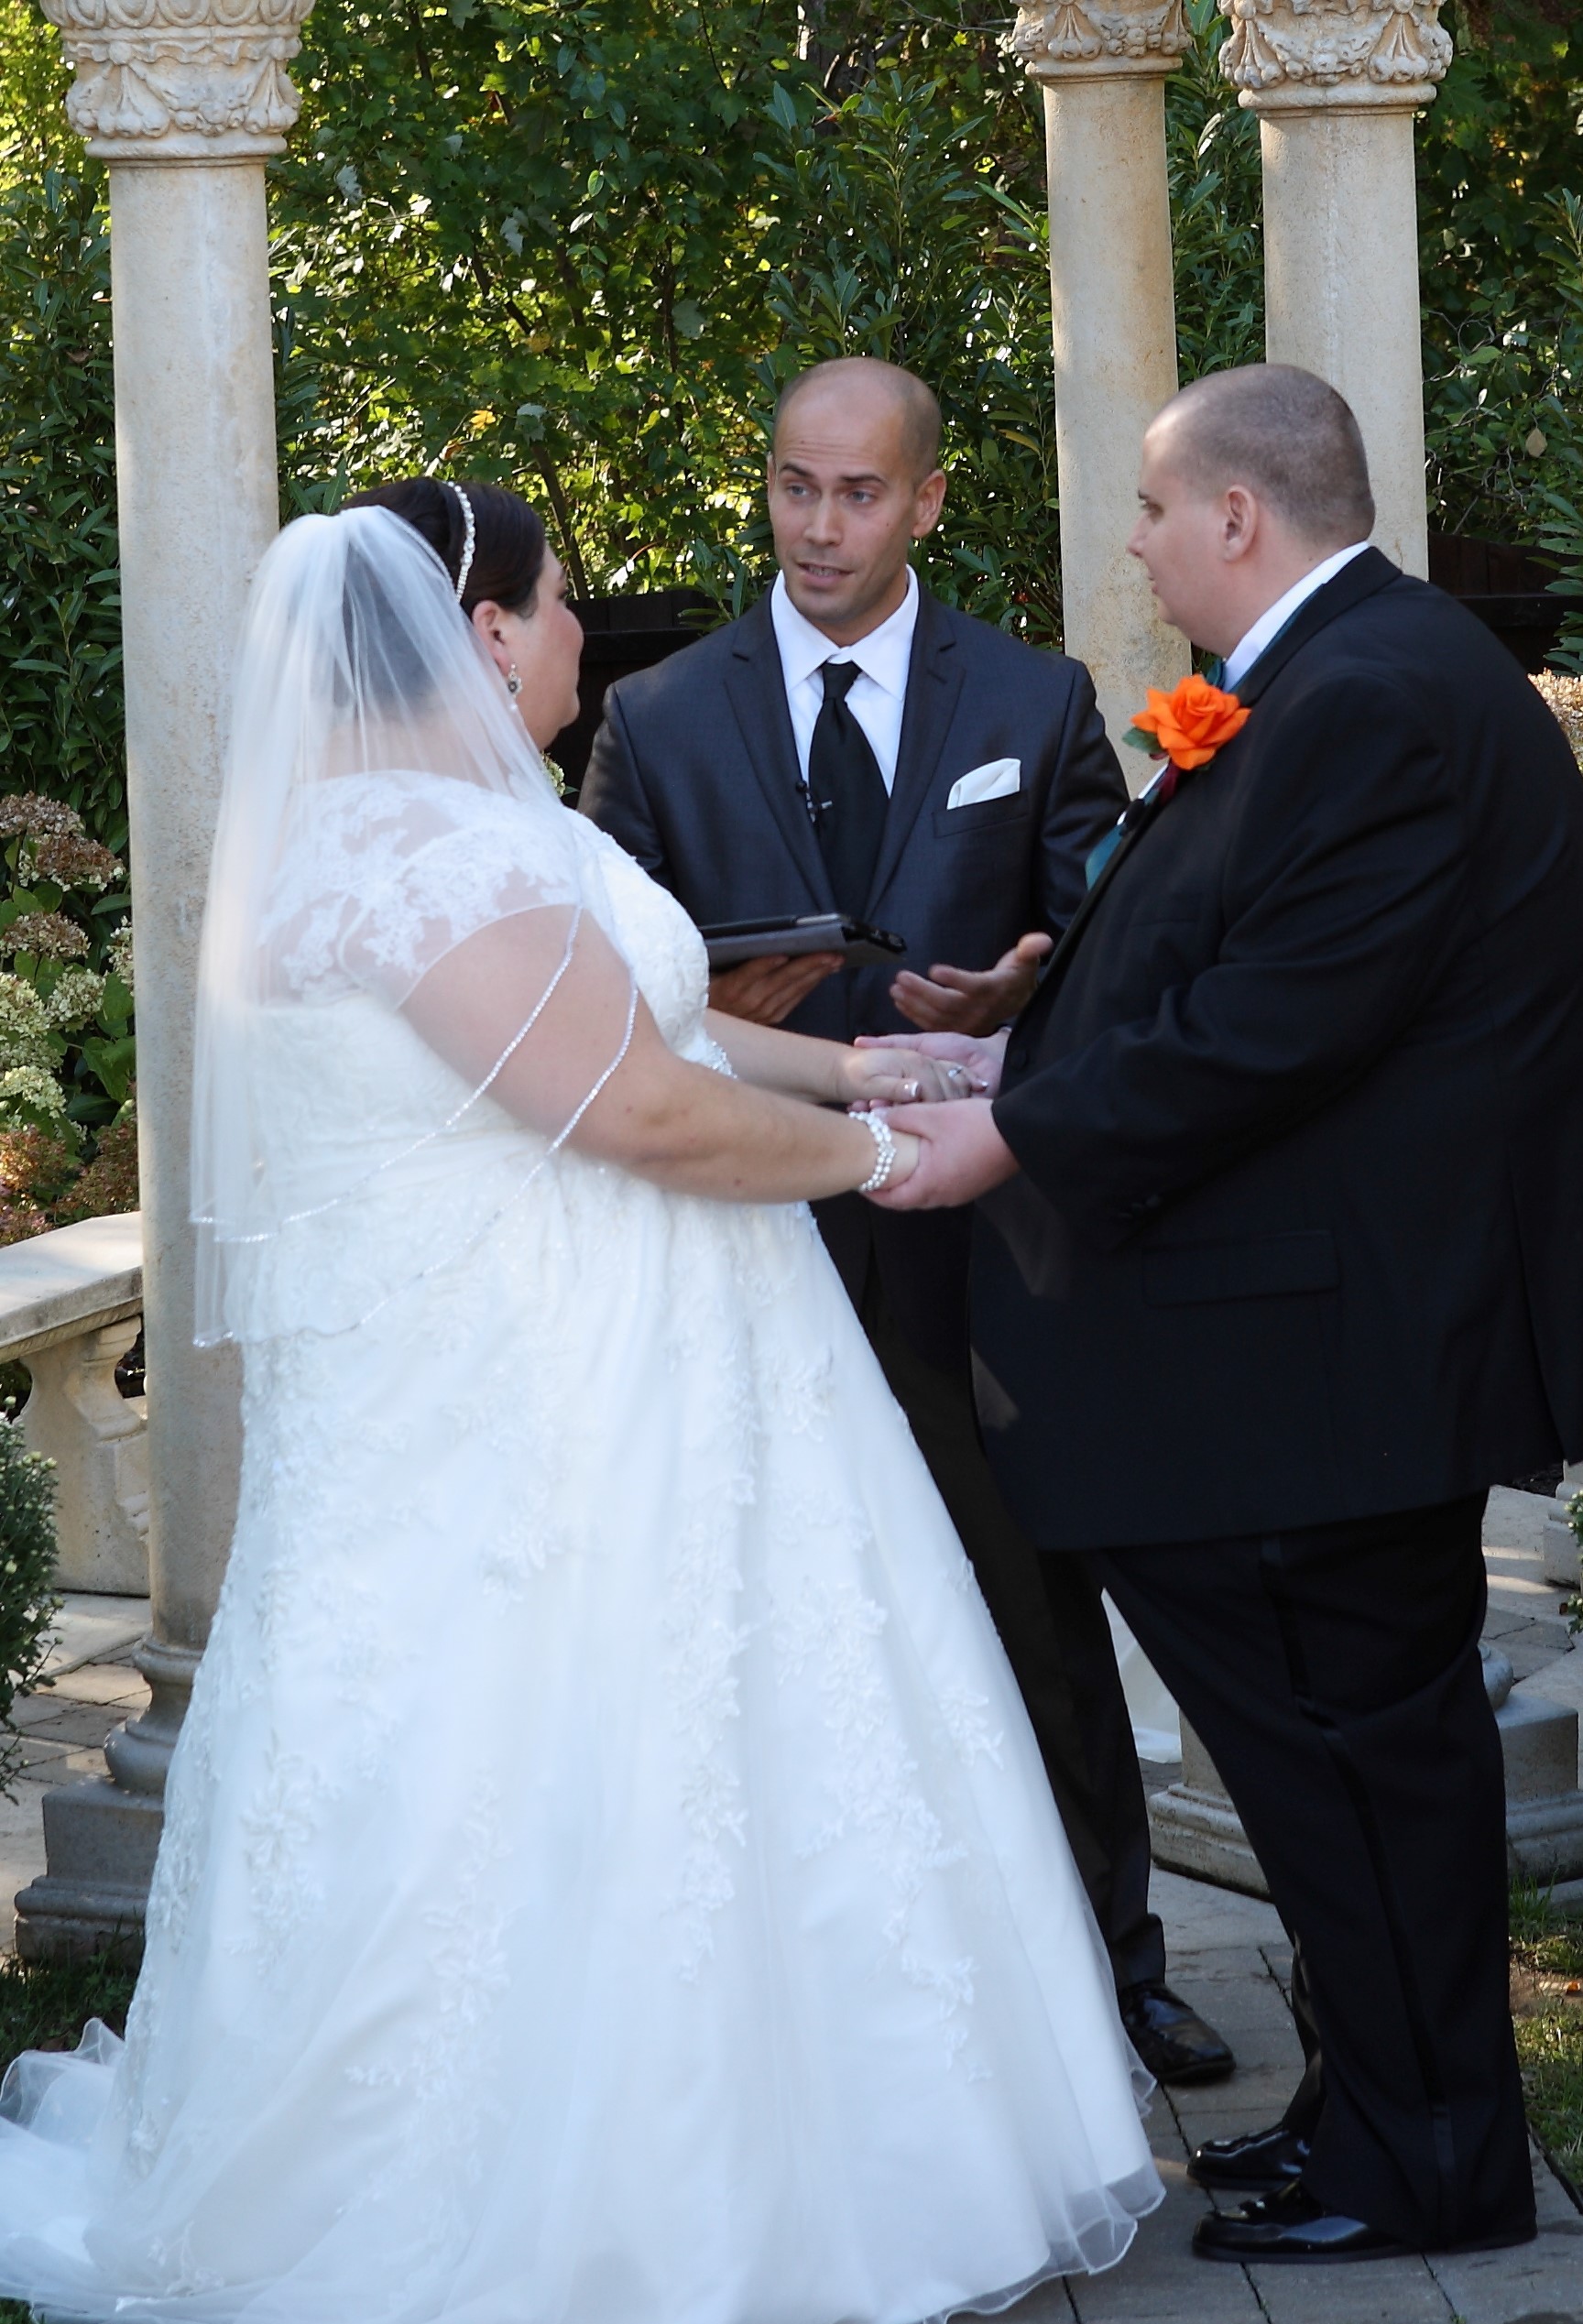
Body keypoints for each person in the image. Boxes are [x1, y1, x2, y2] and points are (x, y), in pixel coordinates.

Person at [0, 484, 1161, 2324]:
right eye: (556, 617)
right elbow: (631, 1110)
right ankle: (581, 2196)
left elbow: (649, 1016)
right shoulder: (416, 863)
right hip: (541, 1406)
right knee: (561, 1749)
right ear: (475, 626)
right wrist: (900, 1160)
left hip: (589, 1362)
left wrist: (872, 1059)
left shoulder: (436, 838)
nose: (573, 651)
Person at [875, 365, 1583, 2262]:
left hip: (1330, 1352)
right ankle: (1376, 2110)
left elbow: (1284, 1022)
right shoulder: (1307, 677)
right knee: (1336, 1760)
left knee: (1353, 1756)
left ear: (1238, 516)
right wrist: (1044, 992)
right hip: (1305, 1347)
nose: (1130, 546)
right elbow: (1219, 925)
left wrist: (1011, 1136)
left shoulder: (1374, 694)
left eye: (1149, 511)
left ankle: (1433, 2157)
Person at [582, 357, 1232, 2086]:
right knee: (768, 1607)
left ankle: (1116, 1963)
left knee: (1030, 1601)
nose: (818, 525)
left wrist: (1032, 973)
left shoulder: (1033, 696)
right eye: (796, 485)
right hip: (749, 1231)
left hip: (979, 1253)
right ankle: (804, 2005)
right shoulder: (657, 717)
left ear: (929, 501)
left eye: (858, 493)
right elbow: (607, 984)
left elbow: (1116, 925)